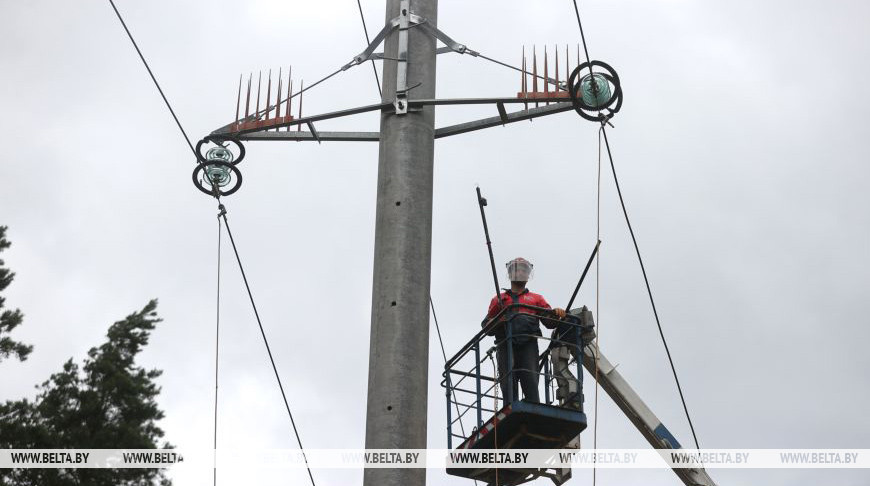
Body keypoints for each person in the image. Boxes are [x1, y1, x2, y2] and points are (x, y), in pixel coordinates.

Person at [482, 257, 565, 404]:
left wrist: (557, 314)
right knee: (508, 380)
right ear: (510, 274)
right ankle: (510, 405)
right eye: (517, 269)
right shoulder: (499, 300)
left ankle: (533, 405)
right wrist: (499, 320)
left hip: (528, 343)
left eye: (524, 270)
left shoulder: (536, 299)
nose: (521, 272)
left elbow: (549, 322)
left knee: (531, 379)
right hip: (505, 343)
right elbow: (486, 327)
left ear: (528, 275)